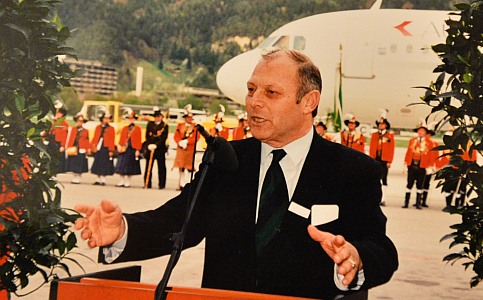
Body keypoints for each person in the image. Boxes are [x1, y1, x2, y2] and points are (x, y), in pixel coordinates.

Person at [74, 49, 398, 299]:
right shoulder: (226, 159)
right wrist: (123, 230)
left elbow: (381, 248)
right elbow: (178, 221)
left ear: (308, 102)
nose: (254, 102)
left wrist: (355, 258)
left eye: (271, 93)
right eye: (251, 89)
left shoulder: (352, 171)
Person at [402, 123, 435, 209]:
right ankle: (406, 202)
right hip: (412, 165)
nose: (420, 132)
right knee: (409, 184)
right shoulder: (412, 140)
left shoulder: (429, 143)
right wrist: (405, 163)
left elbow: (431, 155)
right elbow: (408, 152)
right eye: (419, 130)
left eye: (422, 131)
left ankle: (418, 203)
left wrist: (430, 166)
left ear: (425, 133)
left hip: (422, 166)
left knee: (420, 185)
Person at [368, 116, 395, 206]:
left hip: (384, 160)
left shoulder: (389, 136)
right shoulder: (374, 135)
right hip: (375, 159)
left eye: (383, 124)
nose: (381, 126)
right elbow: (371, 147)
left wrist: (389, 161)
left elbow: (391, 149)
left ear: (386, 126)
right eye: (380, 124)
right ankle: (373, 197)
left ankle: (383, 199)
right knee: (374, 178)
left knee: (384, 179)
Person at [173, 107, 200, 190]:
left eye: (191, 117)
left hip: (190, 149)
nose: (190, 119)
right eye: (188, 117)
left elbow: (197, 137)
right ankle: (182, 183)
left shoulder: (195, 127)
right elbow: (176, 135)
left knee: (189, 167)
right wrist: (179, 142)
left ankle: (188, 183)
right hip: (181, 148)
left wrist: (187, 141)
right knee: (181, 167)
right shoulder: (180, 126)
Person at [114, 111, 142, 188]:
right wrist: (119, 145)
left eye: (132, 119)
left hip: (132, 148)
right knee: (121, 165)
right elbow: (121, 138)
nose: (131, 120)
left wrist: (138, 150)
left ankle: (128, 181)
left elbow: (139, 139)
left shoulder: (138, 128)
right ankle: (122, 180)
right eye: (129, 119)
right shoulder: (124, 128)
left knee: (130, 166)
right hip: (124, 148)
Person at [143, 107, 169, 189]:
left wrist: (156, 145)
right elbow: (147, 136)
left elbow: (163, 138)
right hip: (150, 148)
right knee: (148, 167)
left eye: (159, 116)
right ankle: (147, 183)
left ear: (161, 117)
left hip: (160, 149)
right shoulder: (150, 124)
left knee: (161, 167)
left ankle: (161, 184)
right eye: (156, 117)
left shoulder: (165, 126)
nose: (157, 118)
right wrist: (149, 145)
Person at [90, 112, 116, 186]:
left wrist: (111, 150)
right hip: (98, 146)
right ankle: (98, 178)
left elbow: (112, 140)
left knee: (105, 163)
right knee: (97, 162)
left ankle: (103, 179)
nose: (107, 120)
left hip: (106, 147)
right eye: (105, 118)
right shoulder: (98, 127)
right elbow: (95, 137)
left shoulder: (111, 128)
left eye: (108, 119)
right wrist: (92, 145)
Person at [65, 113, 91, 184]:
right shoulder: (73, 129)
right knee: (73, 163)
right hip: (74, 148)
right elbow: (70, 138)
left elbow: (87, 140)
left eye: (81, 121)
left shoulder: (86, 131)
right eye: (79, 121)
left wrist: (88, 148)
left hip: (82, 148)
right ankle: (74, 177)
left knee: (80, 163)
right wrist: (68, 146)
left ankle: (78, 177)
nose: (80, 122)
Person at [50, 106, 69, 173]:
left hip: (59, 142)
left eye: (59, 113)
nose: (57, 114)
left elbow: (64, 135)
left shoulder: (64, 124)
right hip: (52, 141)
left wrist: (63, 145)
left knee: (59, 158)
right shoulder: (53, 122)